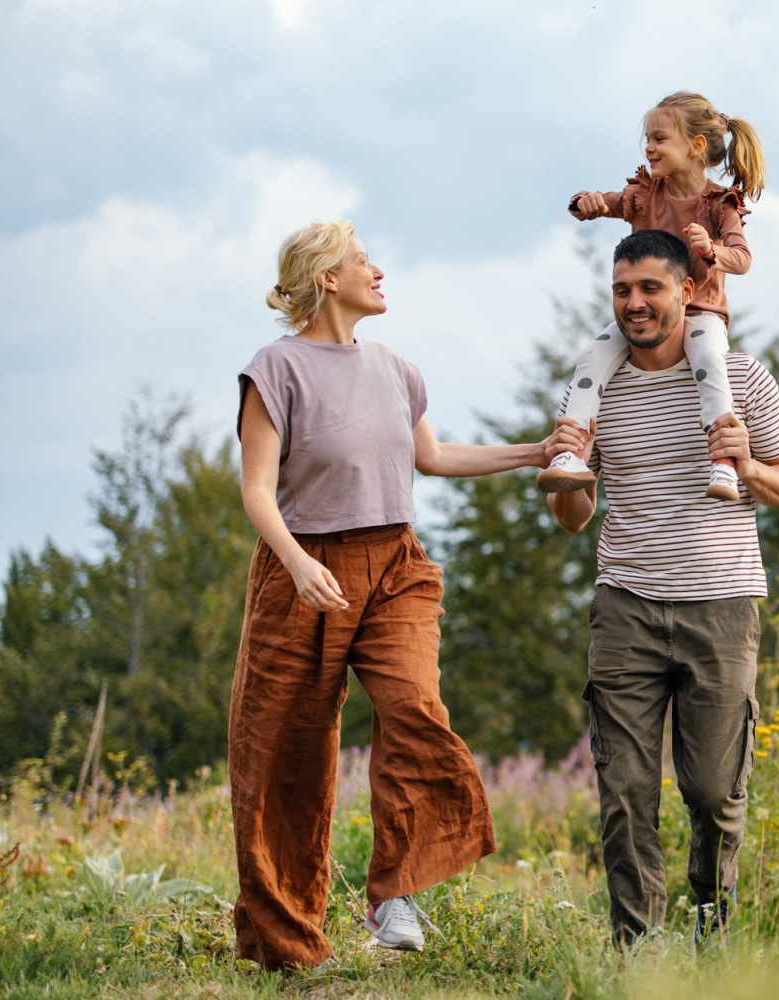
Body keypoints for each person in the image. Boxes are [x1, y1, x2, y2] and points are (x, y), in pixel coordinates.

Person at [231, 219, 574, 970]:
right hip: (305, 573)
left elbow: (434, 456)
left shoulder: (396, 368)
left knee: (416, 710)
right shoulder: (275, 369)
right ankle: (286, 947)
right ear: (327, 277)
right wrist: (293, 562)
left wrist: (534, 452)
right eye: (363, 261)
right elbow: (257, 489)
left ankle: (396, 894)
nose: (379, 272)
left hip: (396, 566)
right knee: (282, 757)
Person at [544, 229, 779, 947]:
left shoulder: (741, 379)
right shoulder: (595, 386)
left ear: (687, 292)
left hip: (720, 605)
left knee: (713, 793)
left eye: (649, 289)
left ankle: (710, 935)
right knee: (625, 792)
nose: (634, 304)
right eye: (622, 291)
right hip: (624, 604)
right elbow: (572, 518)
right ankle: (639, 954)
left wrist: (747, 468)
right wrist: (572, 473)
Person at [537, 90, 765, 502]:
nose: (650, 147)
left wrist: (712, 250)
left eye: (660, 139)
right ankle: (570, 452)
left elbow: (743, 258)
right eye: (648, 139)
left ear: (695, 146)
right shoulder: (646, 194)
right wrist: (587, 204)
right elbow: (609, 202)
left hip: (700, 312)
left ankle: (724, 462)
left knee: (710, 361)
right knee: (594, 355)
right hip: (648, 317)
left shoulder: (718, 204)